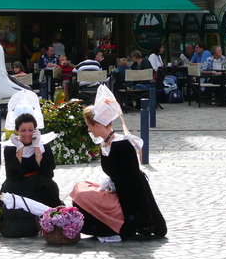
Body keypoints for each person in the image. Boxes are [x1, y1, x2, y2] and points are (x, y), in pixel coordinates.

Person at [69, 86, 167, 241]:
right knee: (80, 187)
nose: (88, 129)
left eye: (89, 125)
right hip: (118, 191)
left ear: (98, 125)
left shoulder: (121, 145)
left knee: (82, 195)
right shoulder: (107, 143)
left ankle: (112, 224)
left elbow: (130, 181)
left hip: (127, 200)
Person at [0, 112, 61, 209]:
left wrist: (36, 148)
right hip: (18, 185)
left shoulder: (43, 145)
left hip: (41, 185)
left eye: (30, 130)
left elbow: (48, 172)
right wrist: (20, 149)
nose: (27, 134)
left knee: (49, 187)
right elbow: (12, 175)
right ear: (17, 130)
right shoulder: (10, 148)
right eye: (23, 130)